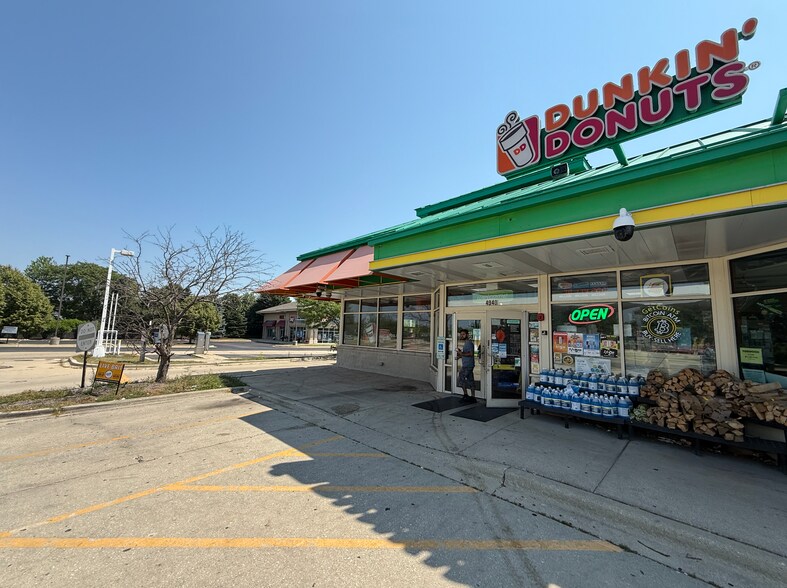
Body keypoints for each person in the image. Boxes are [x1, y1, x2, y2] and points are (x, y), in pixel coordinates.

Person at [456, 329, 477, 402]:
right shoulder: (467, 343)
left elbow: (471, 354)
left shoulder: (468, 343)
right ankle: (473, 397)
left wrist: (461, 353)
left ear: (467, 335)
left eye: (463, 334)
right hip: (469, 364)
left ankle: (465, 395)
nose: (462, 335)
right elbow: (467, 353)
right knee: (470, 380)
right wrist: (460, 356)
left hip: (467, 365)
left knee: (461, 379)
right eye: (461, 334)